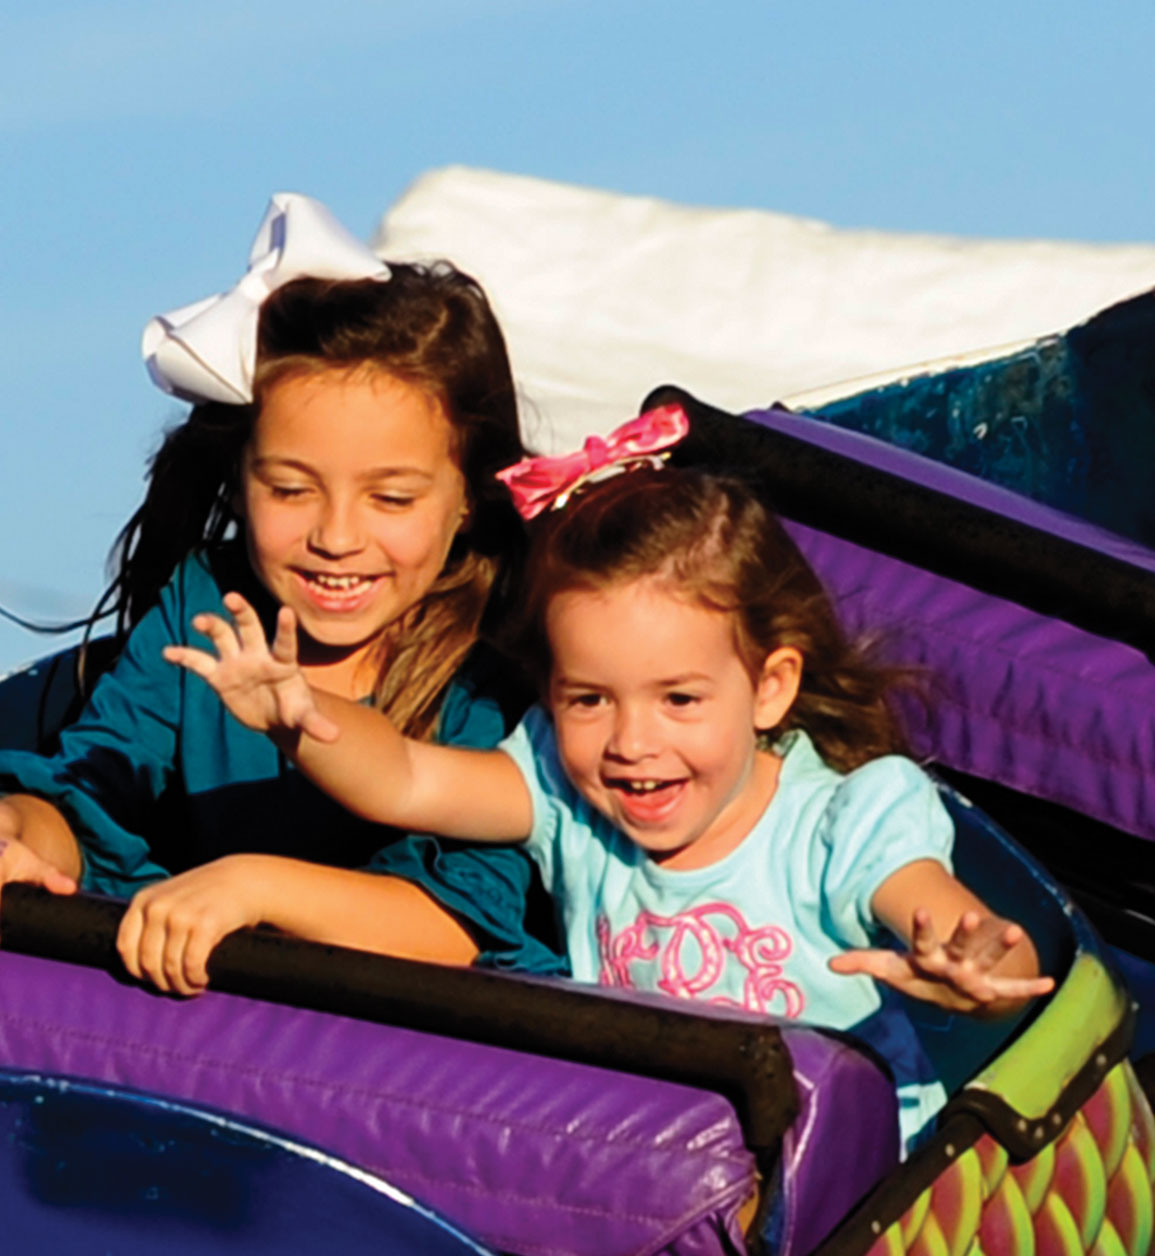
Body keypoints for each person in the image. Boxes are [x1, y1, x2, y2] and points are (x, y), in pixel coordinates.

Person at [166, 411, 1051, 1145]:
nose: (630, 742)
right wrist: (302, 721)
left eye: (677, 699)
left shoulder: (842, 818)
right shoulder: (565, 797)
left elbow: (945, 915)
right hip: (673, 1190)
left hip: (861, 1200)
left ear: (768, 687)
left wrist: (971, 959)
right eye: (588, 699)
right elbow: (402, 778)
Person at [0, 198, 558, 1001]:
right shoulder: (205, 606)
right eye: (292, 489)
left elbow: (458, 927)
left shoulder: (496, 659)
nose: (337, 537)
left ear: (468, 498)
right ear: (239, 480)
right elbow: (90, 798)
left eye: (392, 500)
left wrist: (252, 887)